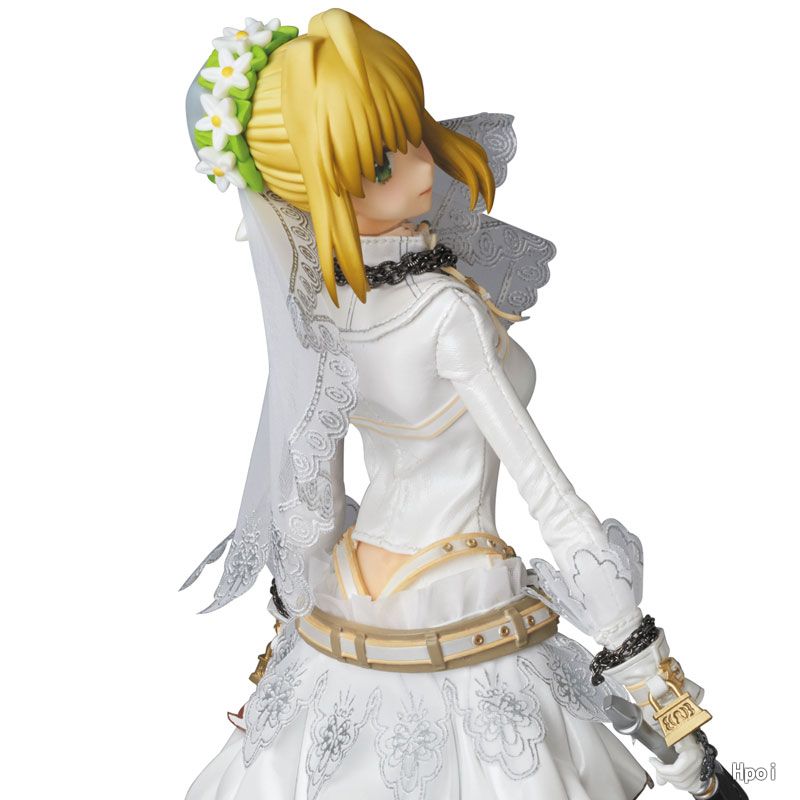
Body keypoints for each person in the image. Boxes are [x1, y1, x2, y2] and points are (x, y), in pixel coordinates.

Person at [182, 9, 716, 799]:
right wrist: (653, 686)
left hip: (353, 593)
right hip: (457, 582)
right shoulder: (445, 313)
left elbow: (312, 510)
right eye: (379, 163)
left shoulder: (323, 310)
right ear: (318, 191)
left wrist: (295, 631)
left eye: (411, 135)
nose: (422, 168)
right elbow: (547, 491)